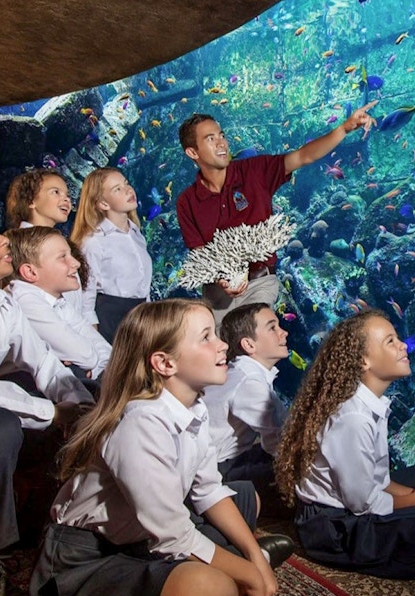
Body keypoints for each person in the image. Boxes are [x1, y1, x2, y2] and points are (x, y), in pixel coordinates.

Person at [29, 299, 294, 596]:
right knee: (211, 590)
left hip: (141, 540)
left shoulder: (193, 408)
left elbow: (208, 489)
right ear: (165, 363)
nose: (223, 345)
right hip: (89, 555)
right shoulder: (140, 423)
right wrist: (251, 574)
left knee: (245, 500)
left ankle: (224, 568)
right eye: (207, 337)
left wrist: (254, 555)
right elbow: (172, 533)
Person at [0, 192, 95, 596]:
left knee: (90, 398)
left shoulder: (0, 303)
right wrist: (53, 414)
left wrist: (83, 411)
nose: (2, 240)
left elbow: (46, 364)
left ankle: (71, 537)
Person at [176, 102, 378, 326]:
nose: (221, 142)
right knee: (221, 347)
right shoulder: (186, 202)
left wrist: (344, 128)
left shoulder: (255, 172)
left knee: (253, 334)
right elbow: (199, 253)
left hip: (260, 281)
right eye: (210, 138)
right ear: (192, 152)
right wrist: (221, 279)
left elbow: (303, 157)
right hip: (217, 291)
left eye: (221, 134)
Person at [275, 309, 415, 579]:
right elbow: (363, 503)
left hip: (353, 510)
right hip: (337, 529)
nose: (402, 345)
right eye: (390, 341)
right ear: (364, 361)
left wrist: (408, 496)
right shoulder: (354, 417)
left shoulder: (371, 405)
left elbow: (380, 478)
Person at [203, 303, 289, 501]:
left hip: (223, 461)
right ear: (249, 345)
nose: (283, 332)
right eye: (272, 327)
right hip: (217, 470)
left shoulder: (244, 372)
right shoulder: (249, 381)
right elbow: (278, 443)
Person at [5, 226, 111, 386]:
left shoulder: (58, 301)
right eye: (63, 257)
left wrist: (90, 362)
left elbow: (107, 354)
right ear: (31, 272)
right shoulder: (24, 299)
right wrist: (86, 360)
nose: (76, 263)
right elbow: (85, 355)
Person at [70, 167, 153, 344]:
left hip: (140, 317)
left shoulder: (136, 234)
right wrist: (92, 335)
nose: (128, 190)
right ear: (103, 204)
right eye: (117, 189)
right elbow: (86, 292)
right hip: (111, 319)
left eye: (126, 184)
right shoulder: (93, 241)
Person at [5, 168, 86, 312]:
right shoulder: (17, 244)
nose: (66, 199)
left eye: (67, 194)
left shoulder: (63, 242)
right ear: (31, 201)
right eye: (55, 192)